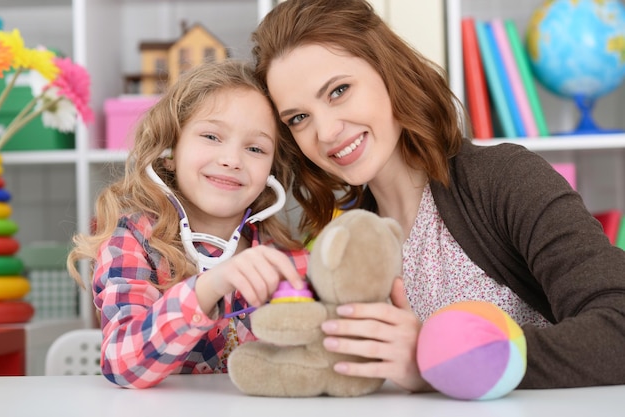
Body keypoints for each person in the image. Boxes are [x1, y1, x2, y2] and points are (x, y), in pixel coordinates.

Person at [251, 0, 625, 392]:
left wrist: (437, 359)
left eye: (339, 91)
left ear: (388, 72)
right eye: (298, 118)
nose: (325, 132)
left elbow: (617, 324)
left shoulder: (505, 180)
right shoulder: (345, 240)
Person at [67, 60, 308, 389]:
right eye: (211, 136)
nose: (232, 160)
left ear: (271, 171)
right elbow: (122, 364)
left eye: (255, 148)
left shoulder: (284, 260)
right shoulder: (131, 242)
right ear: (170, 150)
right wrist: (209, 287)